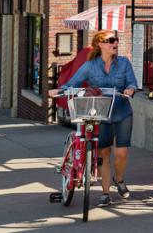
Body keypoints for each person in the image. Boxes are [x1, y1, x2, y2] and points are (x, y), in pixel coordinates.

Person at [48, 29, 138, 208]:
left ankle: (118, 179)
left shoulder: (124, 63)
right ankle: (106, 193)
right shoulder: (90, 66)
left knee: (121, 153)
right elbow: (73, 83)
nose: (115, 43)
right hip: (101, 114)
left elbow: (132, 82)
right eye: (111, 40)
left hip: (122, 112)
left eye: (116, 40)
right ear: (100, 44)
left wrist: (130, 89)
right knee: (103, 153)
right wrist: (59, 90)